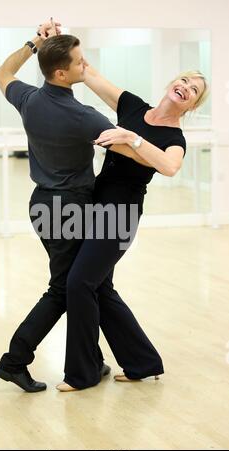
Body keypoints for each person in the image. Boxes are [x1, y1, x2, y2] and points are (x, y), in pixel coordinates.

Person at [0, 23, 139, 392]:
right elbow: (128, 150)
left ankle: (92, 361)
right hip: (70, 210)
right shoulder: (83, 116)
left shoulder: (28, 98)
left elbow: (2, 73)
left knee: (84, 285)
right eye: (78, 62)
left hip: (43, 205)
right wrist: (147, 140)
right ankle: (15, 360)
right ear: (61, 73)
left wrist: (33, 43)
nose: (83, 64)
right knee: (65, 288)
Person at [57, 67, 209, 391]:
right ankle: (142, 362)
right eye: (184, 80)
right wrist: (54, 41)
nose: (185, 87)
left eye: (193, 90)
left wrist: (132, 138)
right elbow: (88, 74)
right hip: (95, 202)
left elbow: (169, 166)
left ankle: (82, 373)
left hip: (121, 213)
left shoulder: (173, 138)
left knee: (80, 282)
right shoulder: (133, 107)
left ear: (192, 106)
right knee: (99, 287)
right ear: (172, 82)